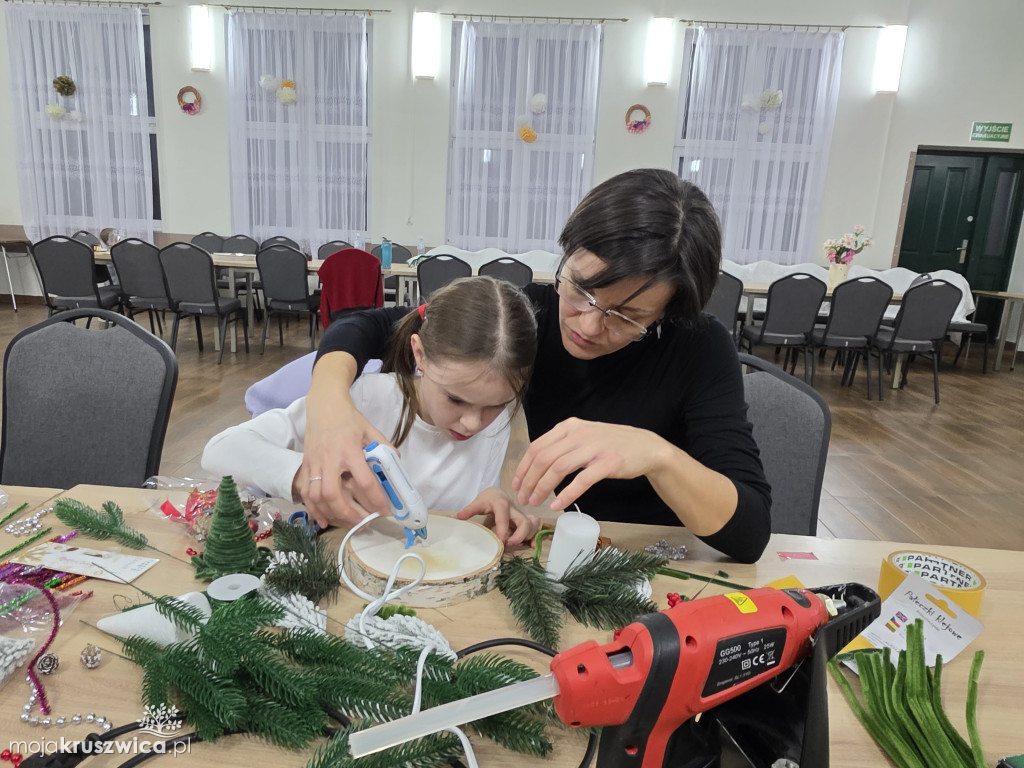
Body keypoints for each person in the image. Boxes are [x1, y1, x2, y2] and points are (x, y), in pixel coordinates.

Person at [300, 169, 772, 563]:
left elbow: (749, 533)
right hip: (566, 553)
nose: (587, 324)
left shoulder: (699, 347)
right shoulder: (531, 317)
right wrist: (329, 404)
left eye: (626, 317)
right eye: (581, 288)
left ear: (666, 314)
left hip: (658, 559)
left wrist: (655, 454)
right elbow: (369, 325)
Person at [202, 276, 541, 545]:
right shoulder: (366, 399)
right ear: (419, 355)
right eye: (455, 399)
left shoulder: (495, 427)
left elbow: (468, 500)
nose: (472, 423)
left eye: (496, 405)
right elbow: (220, 451)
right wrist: (304, 477)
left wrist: (491, 496)